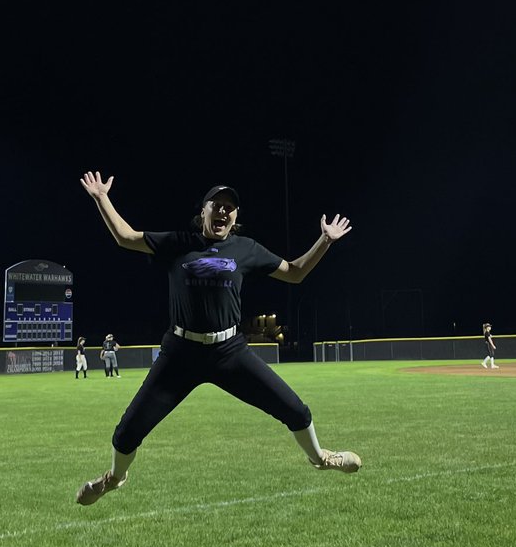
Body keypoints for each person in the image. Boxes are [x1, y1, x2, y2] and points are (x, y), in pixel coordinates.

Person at [74, 173, 361, 505]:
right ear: (204, 212)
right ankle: (115, 478)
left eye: (230, 208)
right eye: (217, 206)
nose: (224, 211)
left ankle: (321, 458)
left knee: (295, 410)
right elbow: (125, 237)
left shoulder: (245, 248)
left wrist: (324, 240)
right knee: (126, 433)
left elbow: (295, 272)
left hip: (229, 351)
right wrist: (101, 198)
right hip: (180, 354)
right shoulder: (179, 243)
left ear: (235, 217)